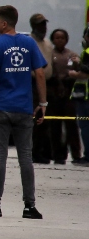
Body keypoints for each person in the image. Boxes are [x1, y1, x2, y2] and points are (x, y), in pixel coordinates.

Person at [0, 5, 46, 219]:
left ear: (4, 23)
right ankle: (30, 207)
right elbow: (40, 74)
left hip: (1, 109)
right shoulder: (29, 43)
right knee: (25, 157)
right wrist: (42, 104)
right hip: (24, 110)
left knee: (0, 157)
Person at [46, 28, 82, 165]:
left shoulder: (71, 55)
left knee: (71, 126)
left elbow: (78, 71)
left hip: (69, 93)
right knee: (54, 125)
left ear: (66, 40)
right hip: (54, 93)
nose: (59, 40)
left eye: (62, 38)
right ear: (53, 39)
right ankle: (57, 154)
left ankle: (76, 154)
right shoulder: (50, 55)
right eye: (56, 38)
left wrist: (77, 63)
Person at [28, 13, 55, 163]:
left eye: (44, 24)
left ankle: (44, 151)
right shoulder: (28, 42)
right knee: (35, 119)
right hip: (32, 83)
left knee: (46, 120)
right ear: (33, 26)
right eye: (39, 24)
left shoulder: (47, 44)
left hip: (48, 84)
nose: (43, 27)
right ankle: (33, 151)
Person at [67, 27, 89, 166]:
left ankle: (88, 157)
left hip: (85, 97)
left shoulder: (87, 52)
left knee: (85, 127)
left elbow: (85, 73)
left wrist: (73, 74)